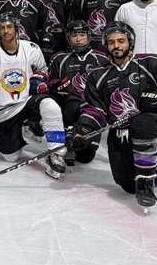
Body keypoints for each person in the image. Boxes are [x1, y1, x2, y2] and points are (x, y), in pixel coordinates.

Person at [74, 21, 157, 209]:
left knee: (141, 122)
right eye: (111, 42)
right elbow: (93, 109)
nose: (116, 46)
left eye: (121, 41)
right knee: (129, 186)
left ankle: (146, 185)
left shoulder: (151, 63)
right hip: (121, 134)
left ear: (130, 42)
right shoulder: (97, 76)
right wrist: (83, 131)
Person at [0, 13, 67, 179]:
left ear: (16, 29)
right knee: (10, 157)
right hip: (3, 111)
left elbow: (42, 70)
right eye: (2, 28)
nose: (6, 31)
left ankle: (56, 151)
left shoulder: (31, 49)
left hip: (26, 102)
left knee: (50, 104)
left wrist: (40, 79)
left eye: (9, 27)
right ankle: (19, 134)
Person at [44, 20, 110, 165]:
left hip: (93, 111)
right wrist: (58, 86)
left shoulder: (103, 58)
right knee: (72, 103)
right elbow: (50, 82)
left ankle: (78, 139)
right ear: (68, 38)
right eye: (74, 35)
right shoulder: (59, 58)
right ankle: (67, 138)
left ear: (89, 37)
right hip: (69, 108)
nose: (78, 39)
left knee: (86, 157)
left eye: (82, 35)